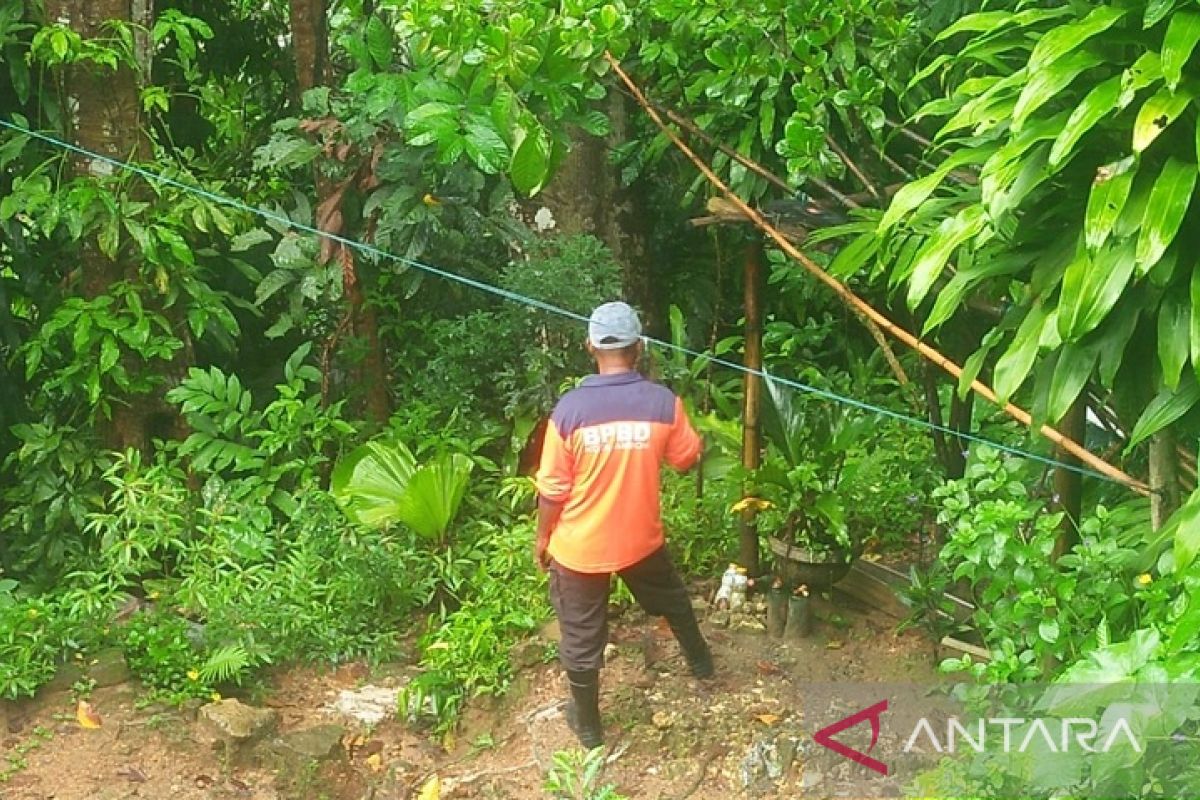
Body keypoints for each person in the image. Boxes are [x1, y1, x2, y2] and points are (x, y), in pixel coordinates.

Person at [534, 301, 714, 750]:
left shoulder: (570, 409)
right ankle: (703, 665)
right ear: (640, 348)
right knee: (673, 599)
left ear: (590, 346)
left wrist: (543, 539)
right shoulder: (662, 402)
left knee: (580, 635)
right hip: (639, 541)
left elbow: (553, 490)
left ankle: (590, 729)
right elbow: (687, 458)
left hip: (580, 548)